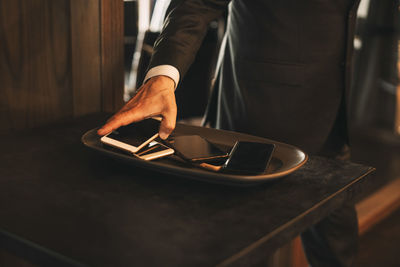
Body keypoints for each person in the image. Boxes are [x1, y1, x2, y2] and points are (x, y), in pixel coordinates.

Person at [98, 0, 361, 266]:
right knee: (245, 249)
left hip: (333, 114)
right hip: (259, 117)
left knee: (339, 248)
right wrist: (162, 78)